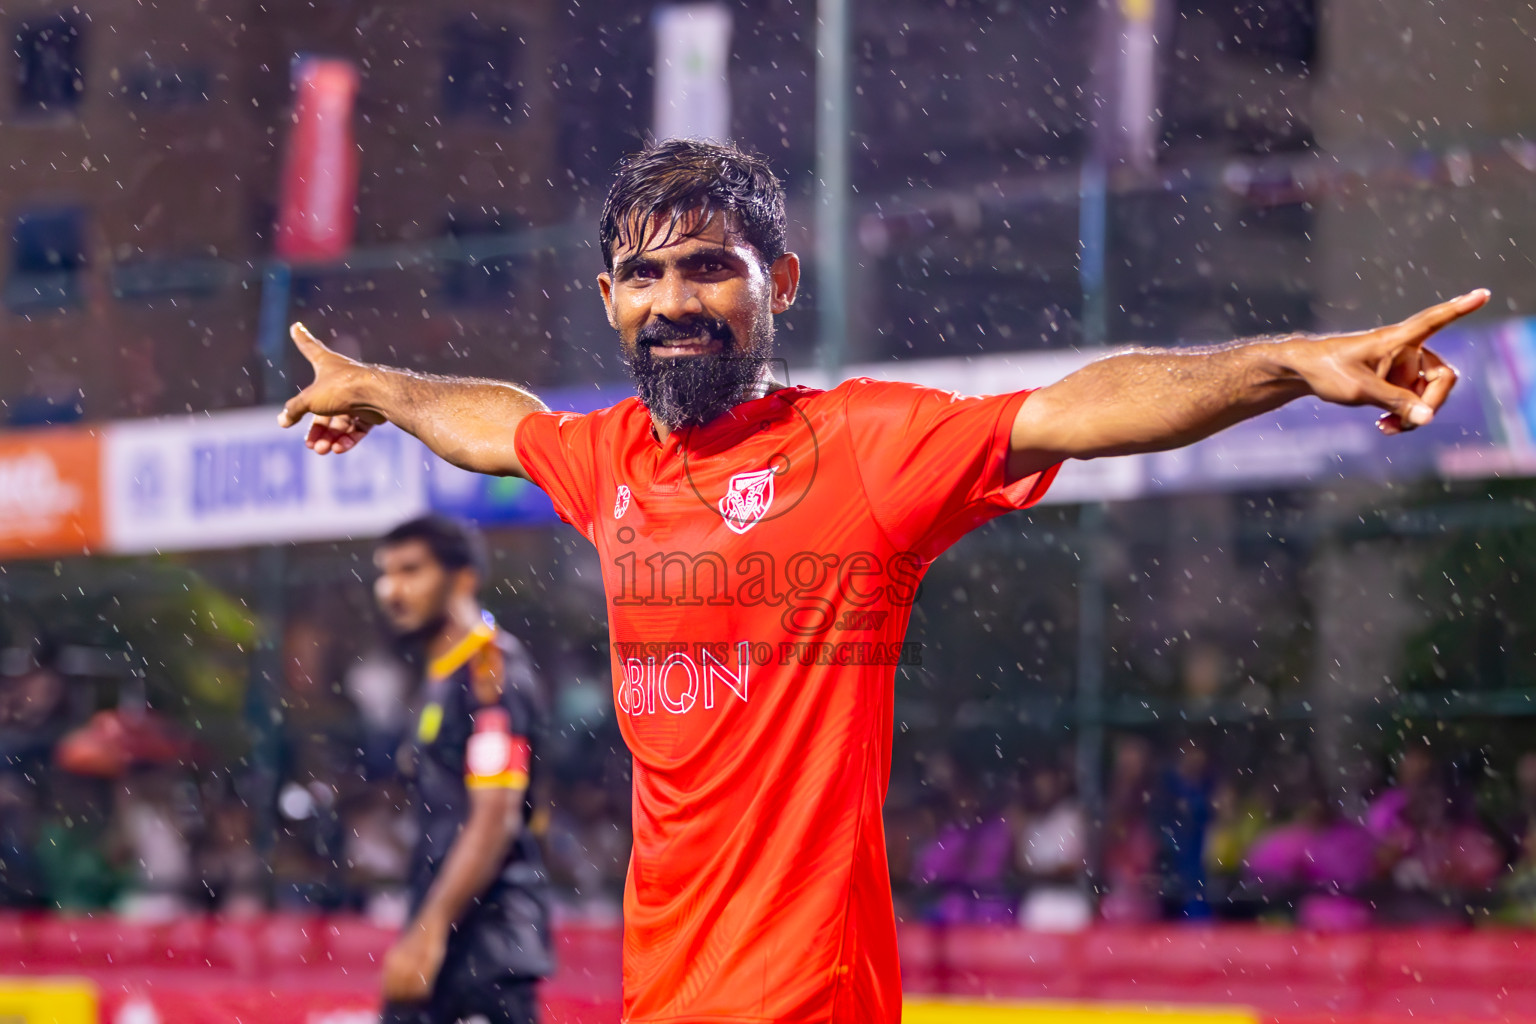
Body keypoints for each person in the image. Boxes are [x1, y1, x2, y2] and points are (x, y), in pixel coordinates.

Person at [278, 138, 1486, 1022]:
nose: (674, 301)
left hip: (807, 997)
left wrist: (1293, 360)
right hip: (660, 994)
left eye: (710, 267)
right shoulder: (609, 461)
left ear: (780, 285)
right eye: (643, 278)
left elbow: (1074, 409)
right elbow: (498, 423)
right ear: (607, 301)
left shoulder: (862, 448)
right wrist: (380, 388)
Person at [372, 515, 553, 1024]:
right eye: (385, 574)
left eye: (411, 570)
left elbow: (495, 817)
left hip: (484, 949)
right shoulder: (441, 674)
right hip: (447, 942)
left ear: (463, 578)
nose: (391, 589)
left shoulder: (491, 674)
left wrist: (429, 932)